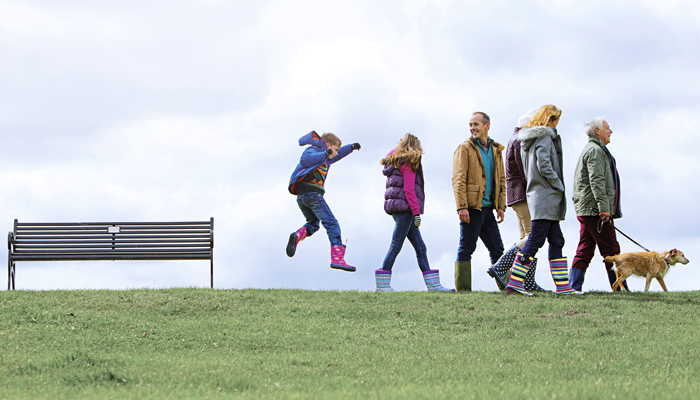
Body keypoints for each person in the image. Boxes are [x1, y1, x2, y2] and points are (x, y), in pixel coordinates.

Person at [504, 105, 580, 295]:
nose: (557, 125)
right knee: (536, 240)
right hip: (546, 196)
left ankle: (563, 286)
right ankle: (515, 282)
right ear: (549, 120)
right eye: (556, 120)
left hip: (539, 196)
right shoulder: (545, 137)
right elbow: (544, 165)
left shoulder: (528, 139)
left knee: (556, 240)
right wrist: (558, 184)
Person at [376, 134, 453, 292]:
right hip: (406, 210)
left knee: (421, 247)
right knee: (396, 245)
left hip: (397, 208)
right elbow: (409, 189)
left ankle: (433, 286)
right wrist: (416, 212)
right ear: (415, 146)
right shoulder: (410, 160)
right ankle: (382, 285)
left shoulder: (394, 159)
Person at [487, 110, 548, 292]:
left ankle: (525, 281)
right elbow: (525, 171)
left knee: (526, 238)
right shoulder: (521, 140)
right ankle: (501, 266)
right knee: (532, 236)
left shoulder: (514, 138)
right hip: (523, 193)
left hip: (516, 193)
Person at [286, 131, 361, 272]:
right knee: (332, 223)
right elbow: (305, 160)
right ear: (327, 145)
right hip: (312, 195)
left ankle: (296, 236)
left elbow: (339, 155)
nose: (336, 153)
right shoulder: (314, 150)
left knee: (313, 225)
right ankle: (337, 259)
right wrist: (325, 153)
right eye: (335, 149)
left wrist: (351, 147)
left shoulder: (328, 158)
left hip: (303, 198)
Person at [570, 118, 628, 291]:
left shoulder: (595, 149)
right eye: (608, 128)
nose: (611, 132)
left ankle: (573, 287)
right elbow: (597, 181)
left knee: (585, 249)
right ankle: (620, 288)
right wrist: (604, 209)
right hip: (595, 210)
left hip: (587, 208)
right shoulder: (595, 151)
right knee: (611, 249)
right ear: (598, 132)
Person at [452, 112, 506, 291]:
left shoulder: (497, 149)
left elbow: (501, 180)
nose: (472, 128)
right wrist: (462, 207)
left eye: (476, 124)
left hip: (489, 209)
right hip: (472, 208)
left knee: (498, 249)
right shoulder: (464, 148)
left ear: (487, 125)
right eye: (470, 125)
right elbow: (458, 179)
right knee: (467, 247)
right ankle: (464, 290)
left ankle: (506, 288)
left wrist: (500, 205)